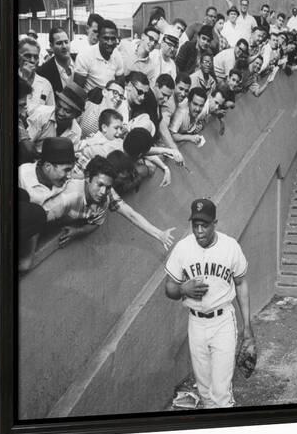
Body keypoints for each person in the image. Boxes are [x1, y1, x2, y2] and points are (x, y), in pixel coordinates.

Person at [165, 198, 254, 409]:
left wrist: (248, 327)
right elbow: (169, 288)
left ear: (215, 223)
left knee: (221, 392)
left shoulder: (230, 247)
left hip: (223, 321)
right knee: (205, 391)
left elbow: (240, 284)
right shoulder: (183, 248)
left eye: (204, 225)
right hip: (196, 323)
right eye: (195, 225)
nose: (199, 230)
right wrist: (182, 289)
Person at [46, 156, 176, 249]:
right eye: (100, 185)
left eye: (108, 187)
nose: (103, 191)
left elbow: (131, 214)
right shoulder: (68, 194)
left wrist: (160, 235)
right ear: (88, 178)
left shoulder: (106, 194)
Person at [18, 137, 76, 213]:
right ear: (47, 166)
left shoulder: (65, 179)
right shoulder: (21, 177)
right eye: (66, 170)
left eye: (71, 170)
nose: (69, 176)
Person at [74, 19, 124, 93]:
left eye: (113, 39)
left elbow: (121, 86)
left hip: (111, 100)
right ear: (98, 38)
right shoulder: (84, 56)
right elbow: (77, 91)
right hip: (91, 101)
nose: (110, 43)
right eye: (106, 38)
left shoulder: (117, 55)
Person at [18, 36, 55, 113]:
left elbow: (50, 114)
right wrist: (24, 79)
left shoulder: (45, 84)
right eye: (27, 56)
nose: (32, 60)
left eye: (35, 57)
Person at [37, 27, 74, 92]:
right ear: (51, 46)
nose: (64, 46)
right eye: (59, 43)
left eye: (66, 42)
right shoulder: (43, 72)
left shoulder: (81, 61)